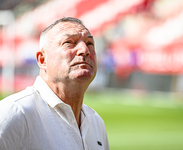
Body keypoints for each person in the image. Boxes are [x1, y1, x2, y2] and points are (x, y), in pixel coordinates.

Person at [0, 17, 110, 150]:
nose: (84, 49)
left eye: (90, 43)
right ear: (42, 59)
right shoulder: (15, 113)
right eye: (69, 42)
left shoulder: (96, 123)